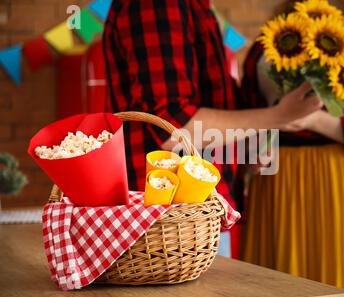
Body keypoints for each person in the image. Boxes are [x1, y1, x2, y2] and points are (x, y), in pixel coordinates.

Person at [102, 0, 322, 257]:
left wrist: (255, 141)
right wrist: (277, 116)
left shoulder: (195, 6)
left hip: (194, 210)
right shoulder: (159, 5)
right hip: (170, 217)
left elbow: (213, 99)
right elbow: (176, 130)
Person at [240, 0, 344, 297]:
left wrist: (317, 120)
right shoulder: (269, 41)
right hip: (276, 186)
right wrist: (253, 152)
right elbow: (245, 121)